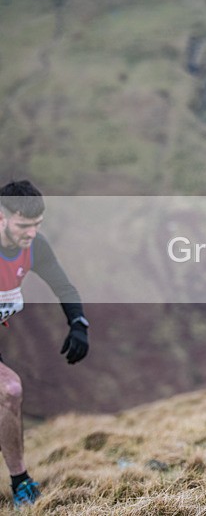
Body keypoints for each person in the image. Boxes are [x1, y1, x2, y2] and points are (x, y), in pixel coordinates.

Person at [0, 180, 89, 506]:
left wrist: (78, 323)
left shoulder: (35, 247)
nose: (31, 234)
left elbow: (64, 288)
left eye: (37, 225)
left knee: (8, 392)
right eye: (24, 226)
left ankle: (21, 483)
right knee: (9, 389)